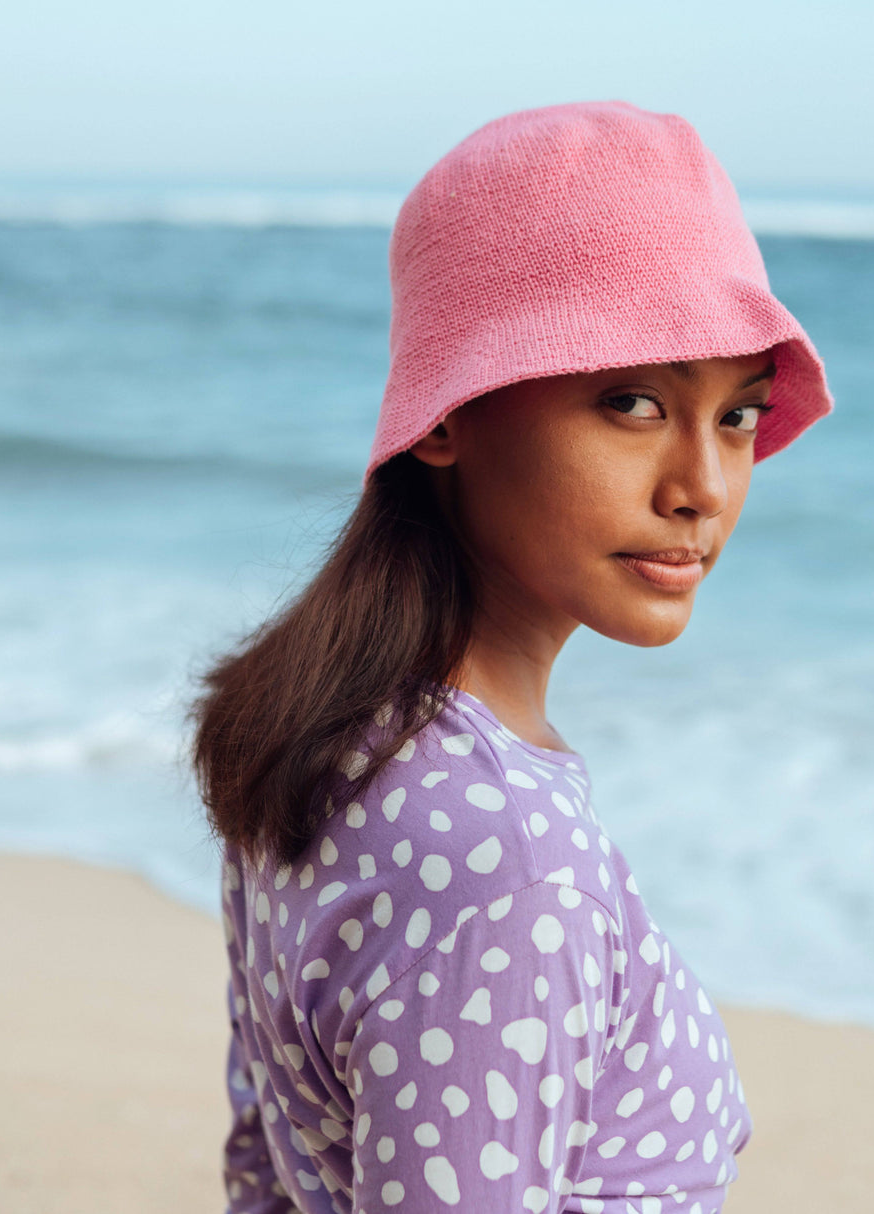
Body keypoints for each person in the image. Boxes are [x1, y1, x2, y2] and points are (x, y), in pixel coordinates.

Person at [193, 100, 833, 1214]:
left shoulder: (311, 722)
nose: (703, 486)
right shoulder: (507, 859)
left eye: (737, 413)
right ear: (447, 414)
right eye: (630, 401)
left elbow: (266, 1160)